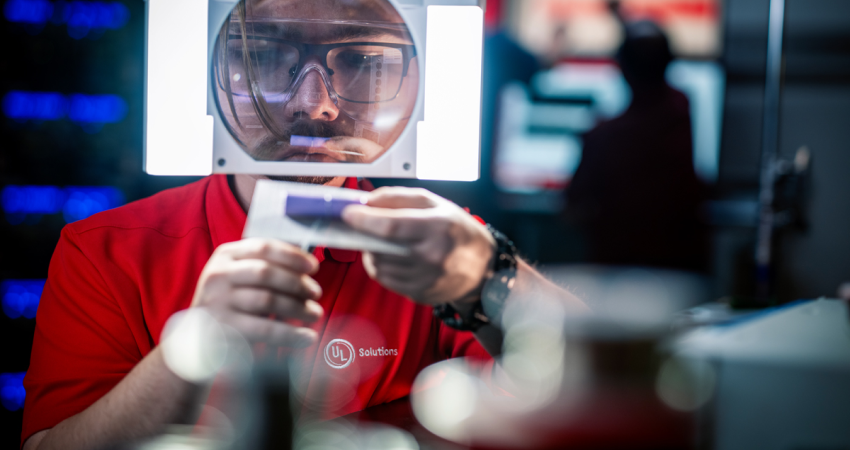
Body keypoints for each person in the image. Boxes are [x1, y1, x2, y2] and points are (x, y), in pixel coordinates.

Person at [21, 1, 586, 449]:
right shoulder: (106, 251)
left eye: (363, 63)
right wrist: (187, 351)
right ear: (215, 74)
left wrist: (493, 276)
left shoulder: (438, 242)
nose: (315, 106)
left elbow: (602, 390)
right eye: (267, 58)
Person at [566, 21, 708, 272]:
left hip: (616, 275)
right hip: (678, 272)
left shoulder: (603, 137)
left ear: (621, 69)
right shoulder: (681, 113)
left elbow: (572, 206)